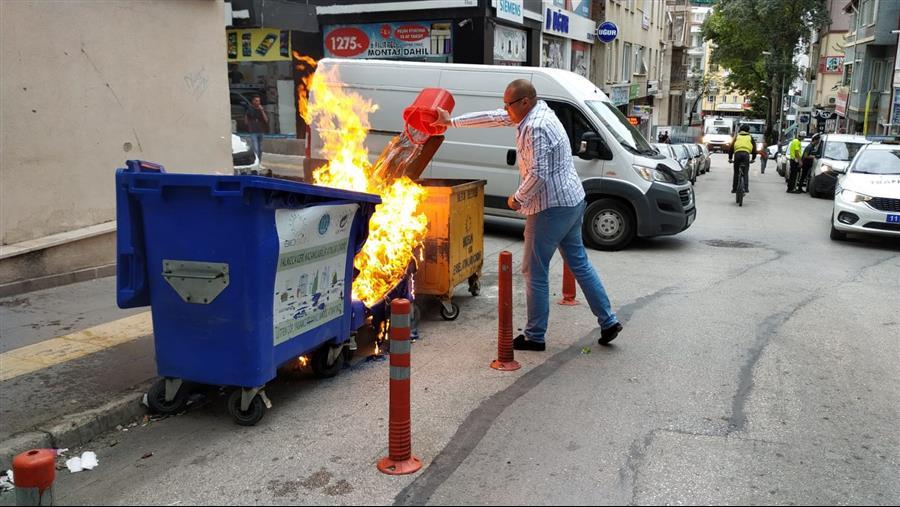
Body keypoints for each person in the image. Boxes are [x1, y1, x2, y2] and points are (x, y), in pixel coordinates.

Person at [431, 79, 622, 349]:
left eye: (508, 104)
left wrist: (517, 198)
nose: (504, 109)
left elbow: (539, 174)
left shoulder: (535, 126)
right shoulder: (539, 111)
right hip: (572, 201)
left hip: (550, 207)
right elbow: (494, 118)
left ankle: (534, 336)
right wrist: (451, 122)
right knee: (580, 264)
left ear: (524, 102)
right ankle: (609, 321)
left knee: (534, 271)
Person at [728, 124, 756, 194]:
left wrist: (730, 158)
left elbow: (731, 148)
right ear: (748, 130)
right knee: (746, 172)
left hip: (737, 154)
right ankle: (746, 188)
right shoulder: (750, 137)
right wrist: (753, 158)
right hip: (746, 155)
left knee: (736, 172)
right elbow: (754, 149)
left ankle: (734, 189)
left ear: (740, 130)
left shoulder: (737, 136)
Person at [244, 95, 269, 161]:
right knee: (256, 148)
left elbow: (266, 120)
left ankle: (259, 162)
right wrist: (249, 126)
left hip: (261, 131)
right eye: (256, 101)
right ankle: (256, 162)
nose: (258, 102)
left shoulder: (261, 110)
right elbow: (246, 119)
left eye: (259, 101)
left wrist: (262, 110)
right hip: (253, 131)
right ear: (253, 101)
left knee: (260, 148)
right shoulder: (250, 109)